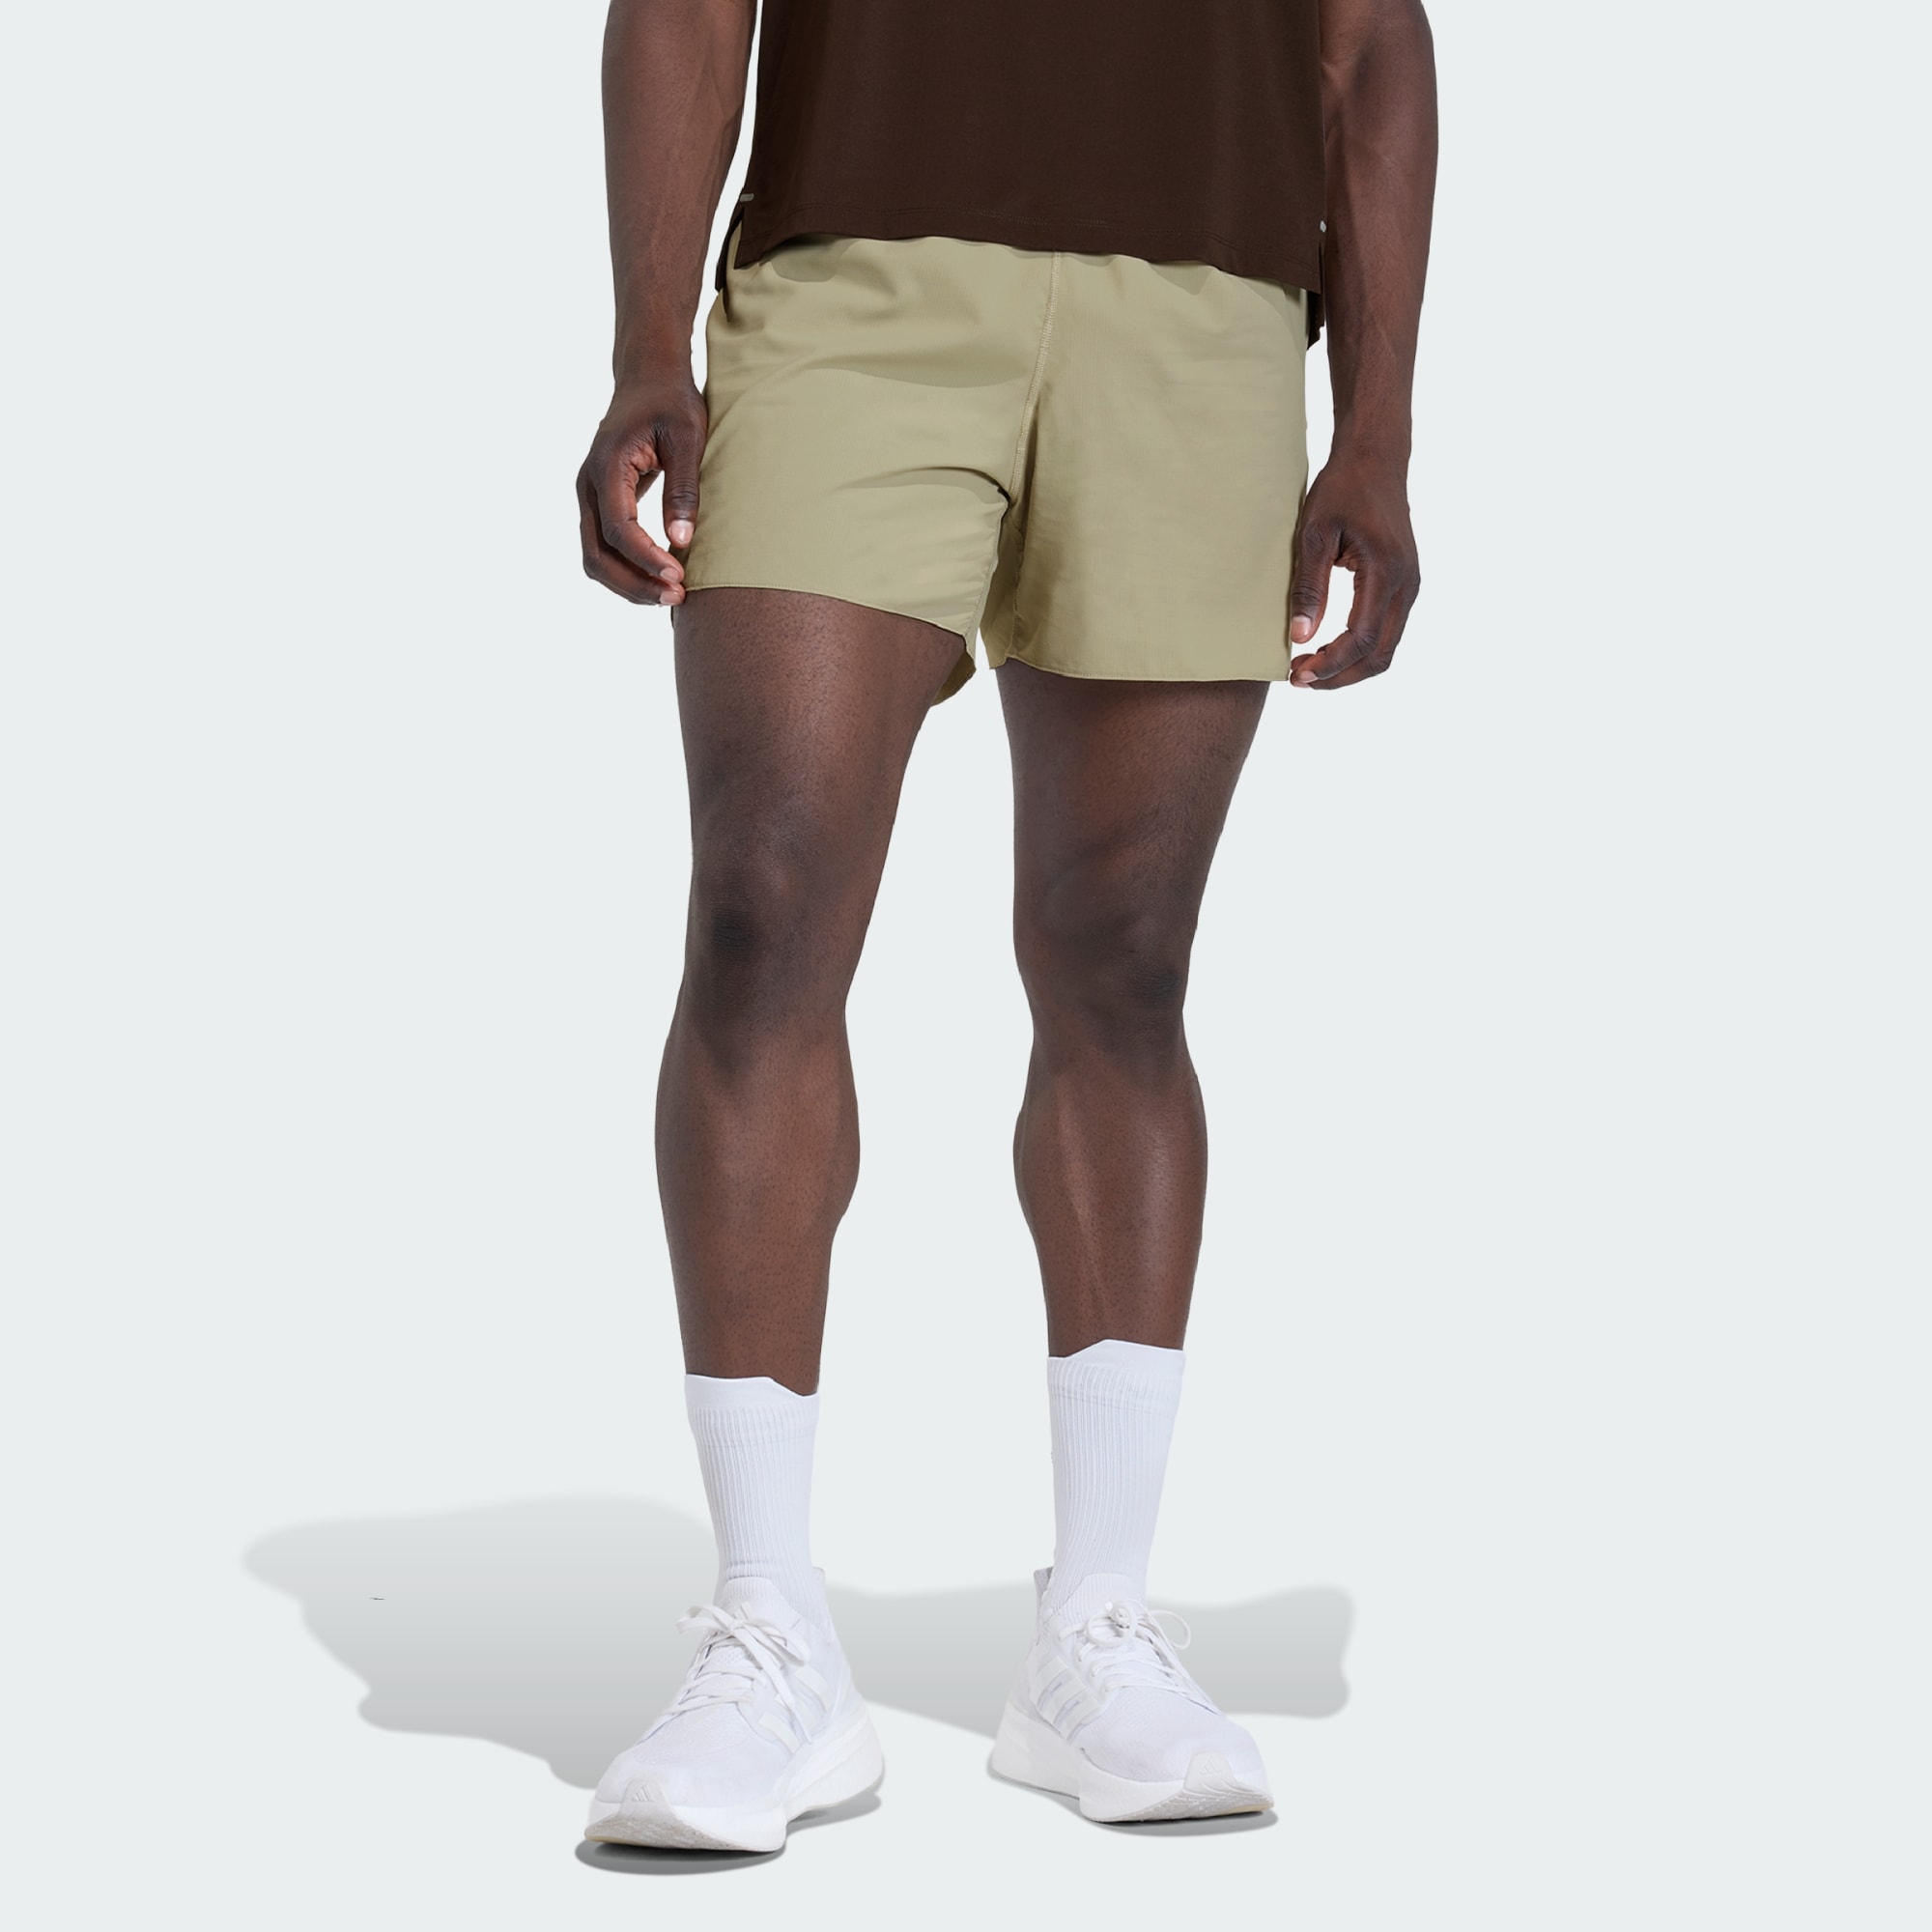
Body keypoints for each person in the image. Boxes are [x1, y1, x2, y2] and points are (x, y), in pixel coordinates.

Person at [575, 0, 1435, 1849]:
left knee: (1124, 958)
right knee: (763, 906)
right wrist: (649, 340)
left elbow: (1370, 39)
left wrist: (1375, 434)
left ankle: (1096, 1630)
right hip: (852, 286)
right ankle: (769, 1632)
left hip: (1203, 307)